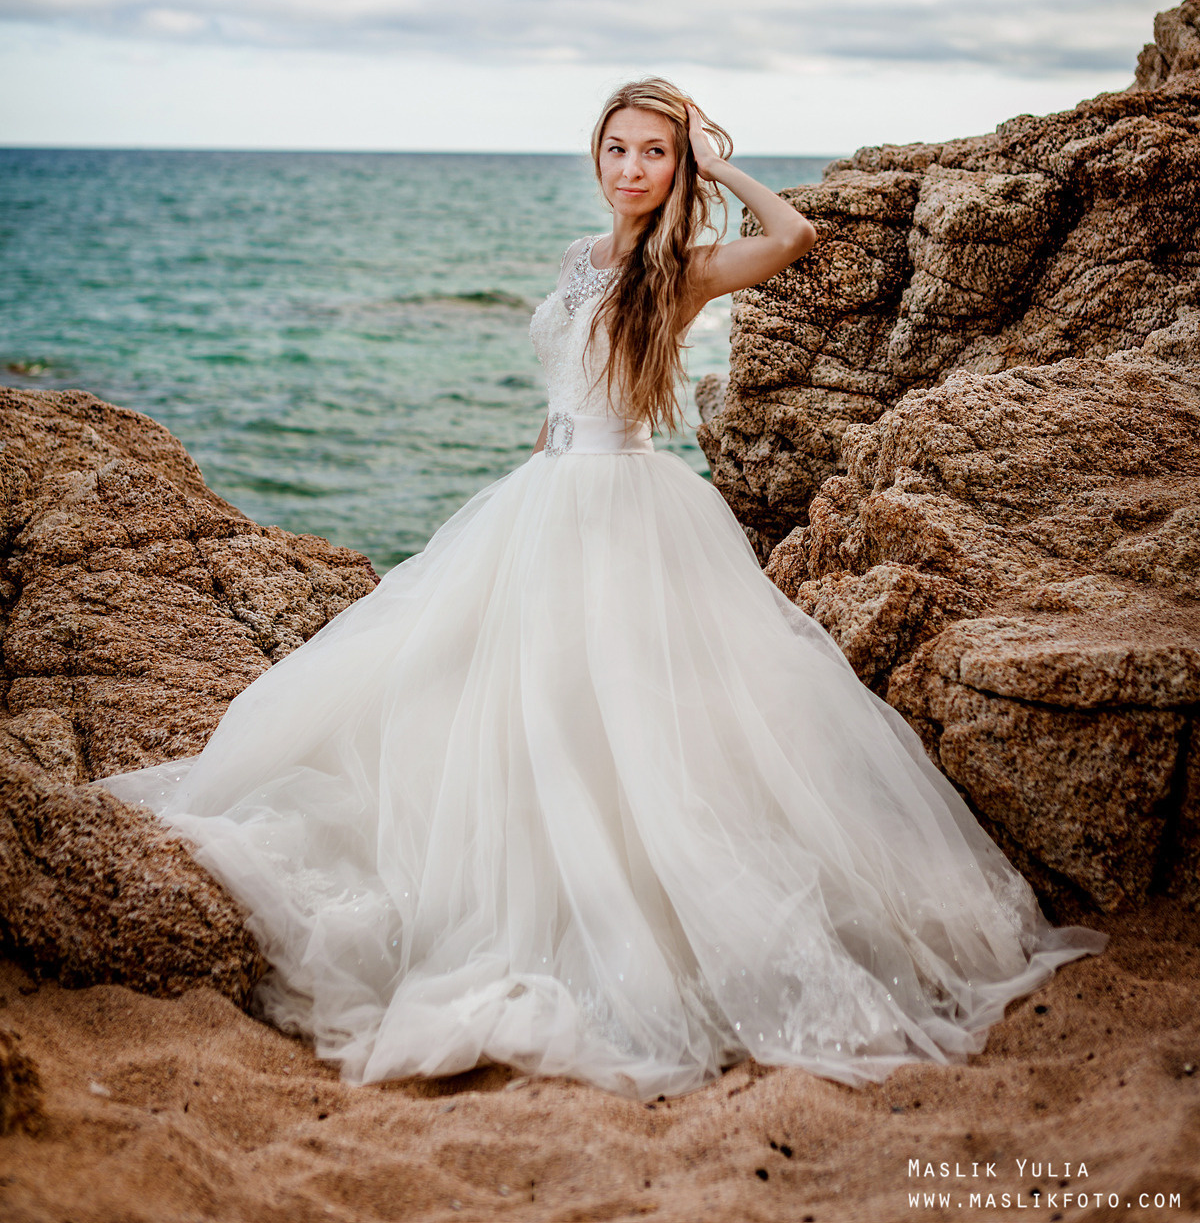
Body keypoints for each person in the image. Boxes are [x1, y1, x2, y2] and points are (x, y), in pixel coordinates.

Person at [99, 78, 1102, 1099]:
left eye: (654, 153)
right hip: (542, 495)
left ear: (677, 168)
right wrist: (532, 468)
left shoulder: (686, 268)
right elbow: (561, 390)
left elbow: (795, 236)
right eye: (618, 149)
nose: (632, 168)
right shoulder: (578, 260)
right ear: (597, 157)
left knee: (630, 712)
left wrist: (721, 166)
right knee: (500, 697)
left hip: (628, 502)